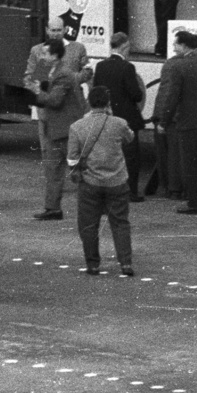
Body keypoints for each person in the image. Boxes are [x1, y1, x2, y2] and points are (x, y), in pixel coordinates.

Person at [67, 85, 136, 276]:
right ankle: (125, 263)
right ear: (108, 103)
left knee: (89, 225)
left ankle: (93, 264)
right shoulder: (119, 123)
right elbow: (130, 137)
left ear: (88, 103)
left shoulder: (77, 127)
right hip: (117, 180)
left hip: (90, 181)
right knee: (120, 223)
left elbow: (72, 158)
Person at [154, 30, 197, 215]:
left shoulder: (178, 66)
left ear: (184, 46)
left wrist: (163, 121)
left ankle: (196, 203)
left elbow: (172, 97)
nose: (174, 48)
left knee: (191, 164)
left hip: (187, 121)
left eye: (176, 44)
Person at [32, 39, 89, 220]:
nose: (41, 56)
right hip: (56, 129)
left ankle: (92, 205)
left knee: (78, 170)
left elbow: (55, 100)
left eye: (45, 53)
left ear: (55, 55)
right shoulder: (48, 70)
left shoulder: (63, 73)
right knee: (54, 170)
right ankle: (52, 208)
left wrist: (37, 92)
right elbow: (35, 86)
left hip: (66, 130)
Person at [90, 32, 147, 200]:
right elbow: (136, 95)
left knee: (109, 156)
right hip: (126, 117)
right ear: (124, 46)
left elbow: (97, 90)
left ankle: (109, 190)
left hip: (107, 116)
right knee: (130, 157)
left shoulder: (100, 66)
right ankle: (131, 192)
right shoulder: (127, 67)